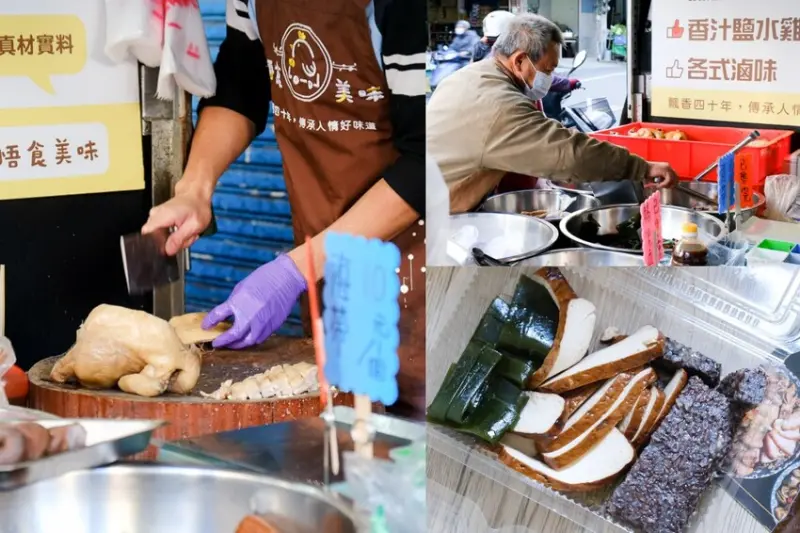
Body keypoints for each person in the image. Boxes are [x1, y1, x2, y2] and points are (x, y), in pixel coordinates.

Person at [141, 0, 426, 419]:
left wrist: (297, 268)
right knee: (355, 423)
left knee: (422, 427)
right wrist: (195, 187)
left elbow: (427, 159)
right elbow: (241, 86)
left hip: (415, 264)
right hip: (329, 259)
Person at [426, 13, 678, 213]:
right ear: (519, 61)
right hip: (442, 213)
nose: (548, 78)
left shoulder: (468, 77)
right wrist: (642, 167)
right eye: (547, 70)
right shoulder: (499, 104)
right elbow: (570, 154)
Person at [473, 10, 579, 96]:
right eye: (548, 70)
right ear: (519, 61)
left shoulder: (486, 58)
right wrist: (567, 83)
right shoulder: (506, 97)